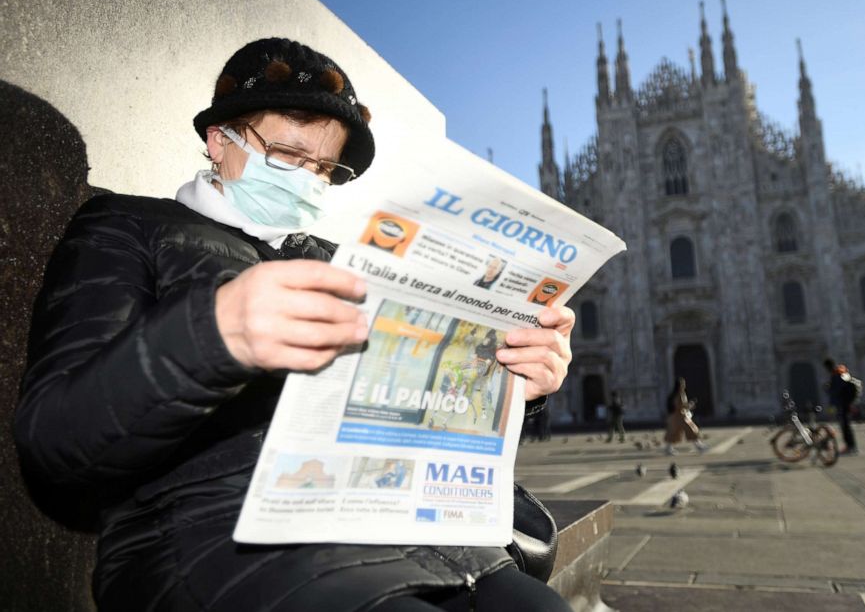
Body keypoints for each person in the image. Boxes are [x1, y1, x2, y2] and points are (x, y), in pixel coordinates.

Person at [14, 38, 575, 612]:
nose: (307, 179)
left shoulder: (342, 258)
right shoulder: (129, 226)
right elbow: (56, 439)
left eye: (324, 167)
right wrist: (214, 334)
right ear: (219, 140)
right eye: (288, 155)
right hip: (221, 537)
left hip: (415, 536)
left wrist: (512, 381)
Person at [823, 358, 859, 455]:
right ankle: (851, 446)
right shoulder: (841, 371)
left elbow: (836, 392)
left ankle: (851, 447)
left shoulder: (836, 374)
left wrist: (831, 407)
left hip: (843, 403)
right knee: (845, 425)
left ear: (827, 367)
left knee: (845, 426)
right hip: (846, 402)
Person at [664, 377, 707, 455]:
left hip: (677, 417)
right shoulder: (680, 394)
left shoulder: (677, 394)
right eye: (683, 384)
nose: (684, 385)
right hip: (681, 417)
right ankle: (699, 446)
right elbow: (681, 406)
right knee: (691, 430)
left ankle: (669, 448)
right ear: (679, 385)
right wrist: (690, 405)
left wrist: (687, 406)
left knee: (674, 432)